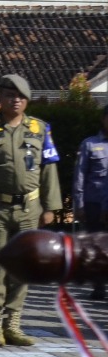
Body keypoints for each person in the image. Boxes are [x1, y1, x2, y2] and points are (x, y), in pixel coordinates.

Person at [0, 73, 61, 346]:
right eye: (10, 96)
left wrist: (50, 206)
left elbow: (49, 170)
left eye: (20, 96)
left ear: (27, 100)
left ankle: (13, 322)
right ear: (1, 100)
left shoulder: (40, 129)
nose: (15, 100)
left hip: (29, 208)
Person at [74, 103, 108, 300]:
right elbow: (80, 175)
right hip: (94, 202)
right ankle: (98, 286)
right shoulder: (90, 144)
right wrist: (79, 204)